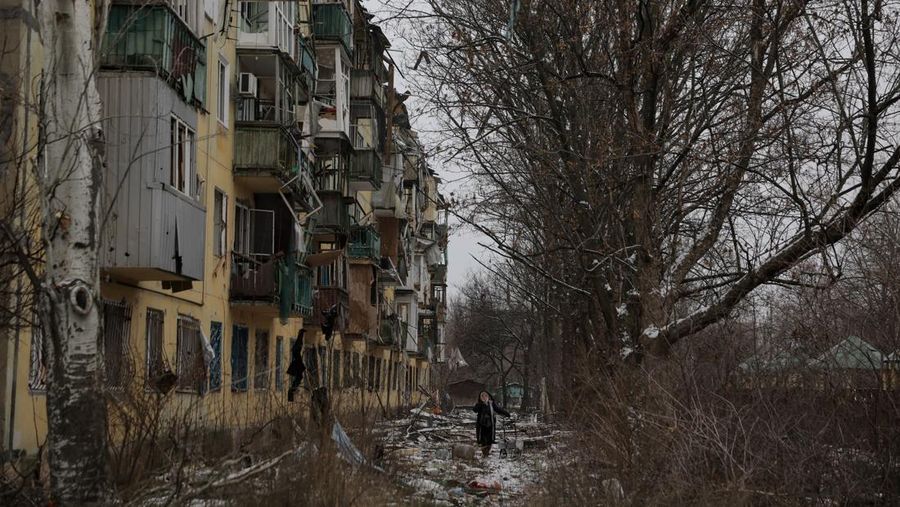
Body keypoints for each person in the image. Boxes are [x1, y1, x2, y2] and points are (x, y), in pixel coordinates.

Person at [472, 391, 511, 457]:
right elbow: (475, 410)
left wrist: (506, 413)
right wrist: (481, 403)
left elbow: (498, 409)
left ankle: (487, 452)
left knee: (489, 440)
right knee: (483, 440)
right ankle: (484, 453)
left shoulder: (491, 404)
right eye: (482, 396)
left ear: (488, 396)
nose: (484, 397)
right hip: (482, 425)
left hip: (490, 424)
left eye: (485, 396)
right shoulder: (479, 404)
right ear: (480, 397)